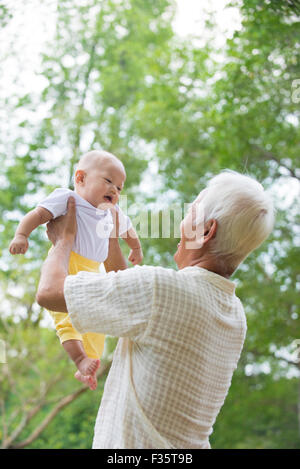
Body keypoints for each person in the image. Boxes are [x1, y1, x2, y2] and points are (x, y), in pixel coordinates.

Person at [36, 170, 274, 449]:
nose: (182, 221)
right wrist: (111, 239)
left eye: (191, 211)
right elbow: (135, 305)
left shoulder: (161, 290)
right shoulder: (234, 315)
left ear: (207, 231)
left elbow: (49, 293)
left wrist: (64, 241)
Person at [9, 150, 143, 391]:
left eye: (119, 188)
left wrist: (136, 249)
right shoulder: (67, 198)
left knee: (94, 321)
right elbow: (38, 215)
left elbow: (128, 230)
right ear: (80, 178)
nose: (114, 190)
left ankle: (90, 359)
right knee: (66, 319)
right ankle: (79, 358)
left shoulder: (112, 212)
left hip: (93, 270)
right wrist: (22, 235)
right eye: (108, 181)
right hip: (66, 264)